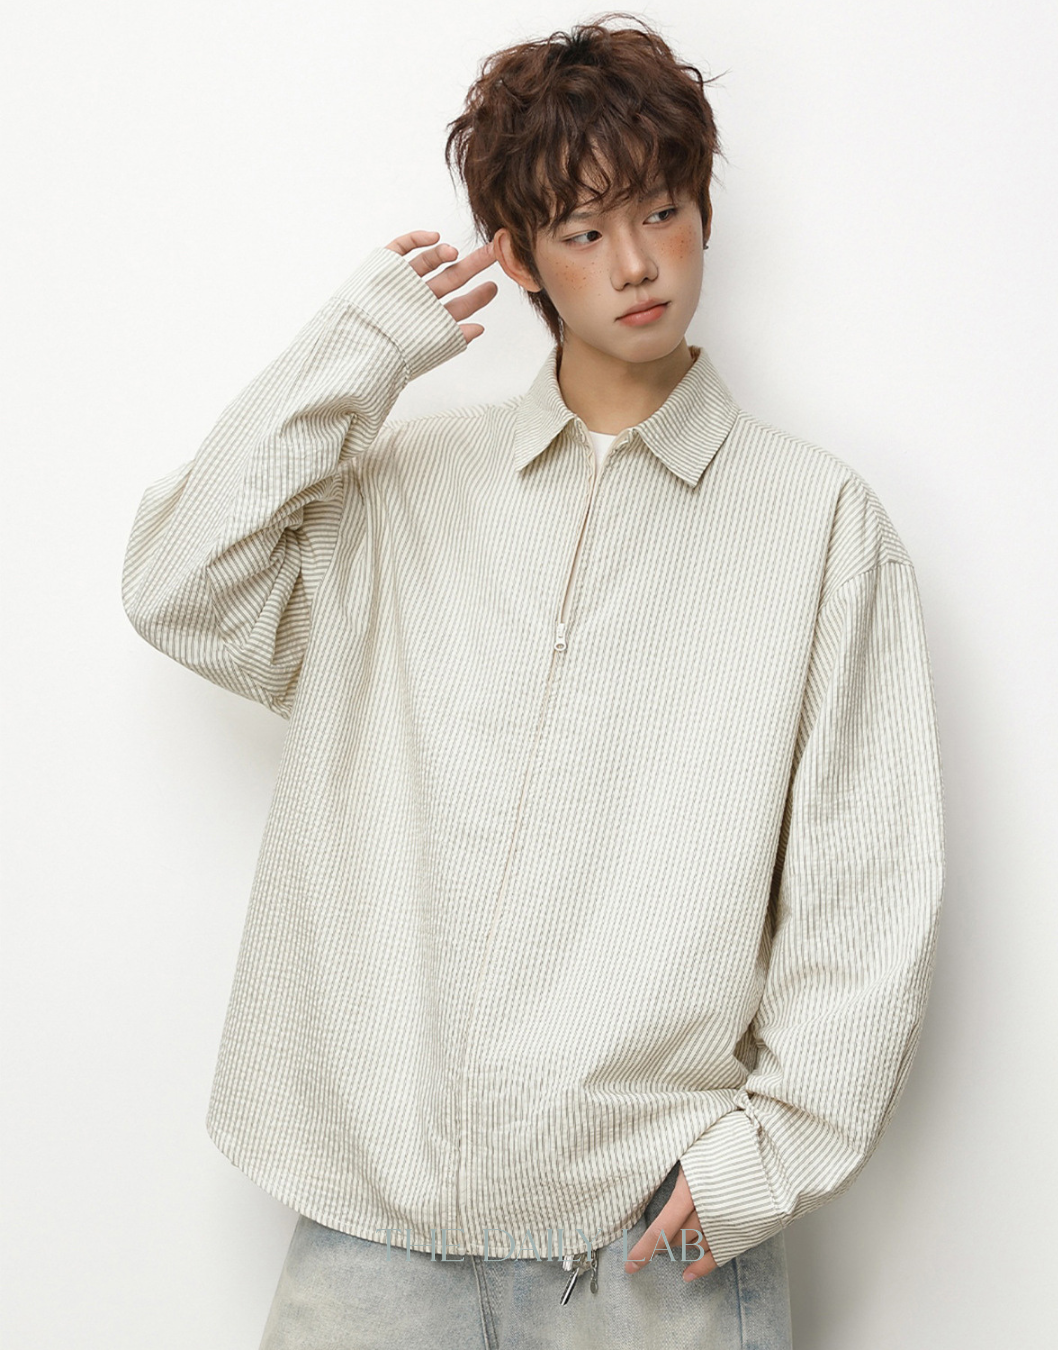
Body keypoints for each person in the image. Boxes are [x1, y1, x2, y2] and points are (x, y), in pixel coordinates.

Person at [121, 13, 945, 1348]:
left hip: (651, 1249)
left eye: (663, 211)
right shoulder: (401, 495)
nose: (637, 264)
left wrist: (762, 1162)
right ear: (515, 258)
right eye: (582, 229)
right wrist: (357, 349)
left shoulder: (819, 526)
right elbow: (179, 586)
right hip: (372, 1236)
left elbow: (867, 886)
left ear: (704, 210)